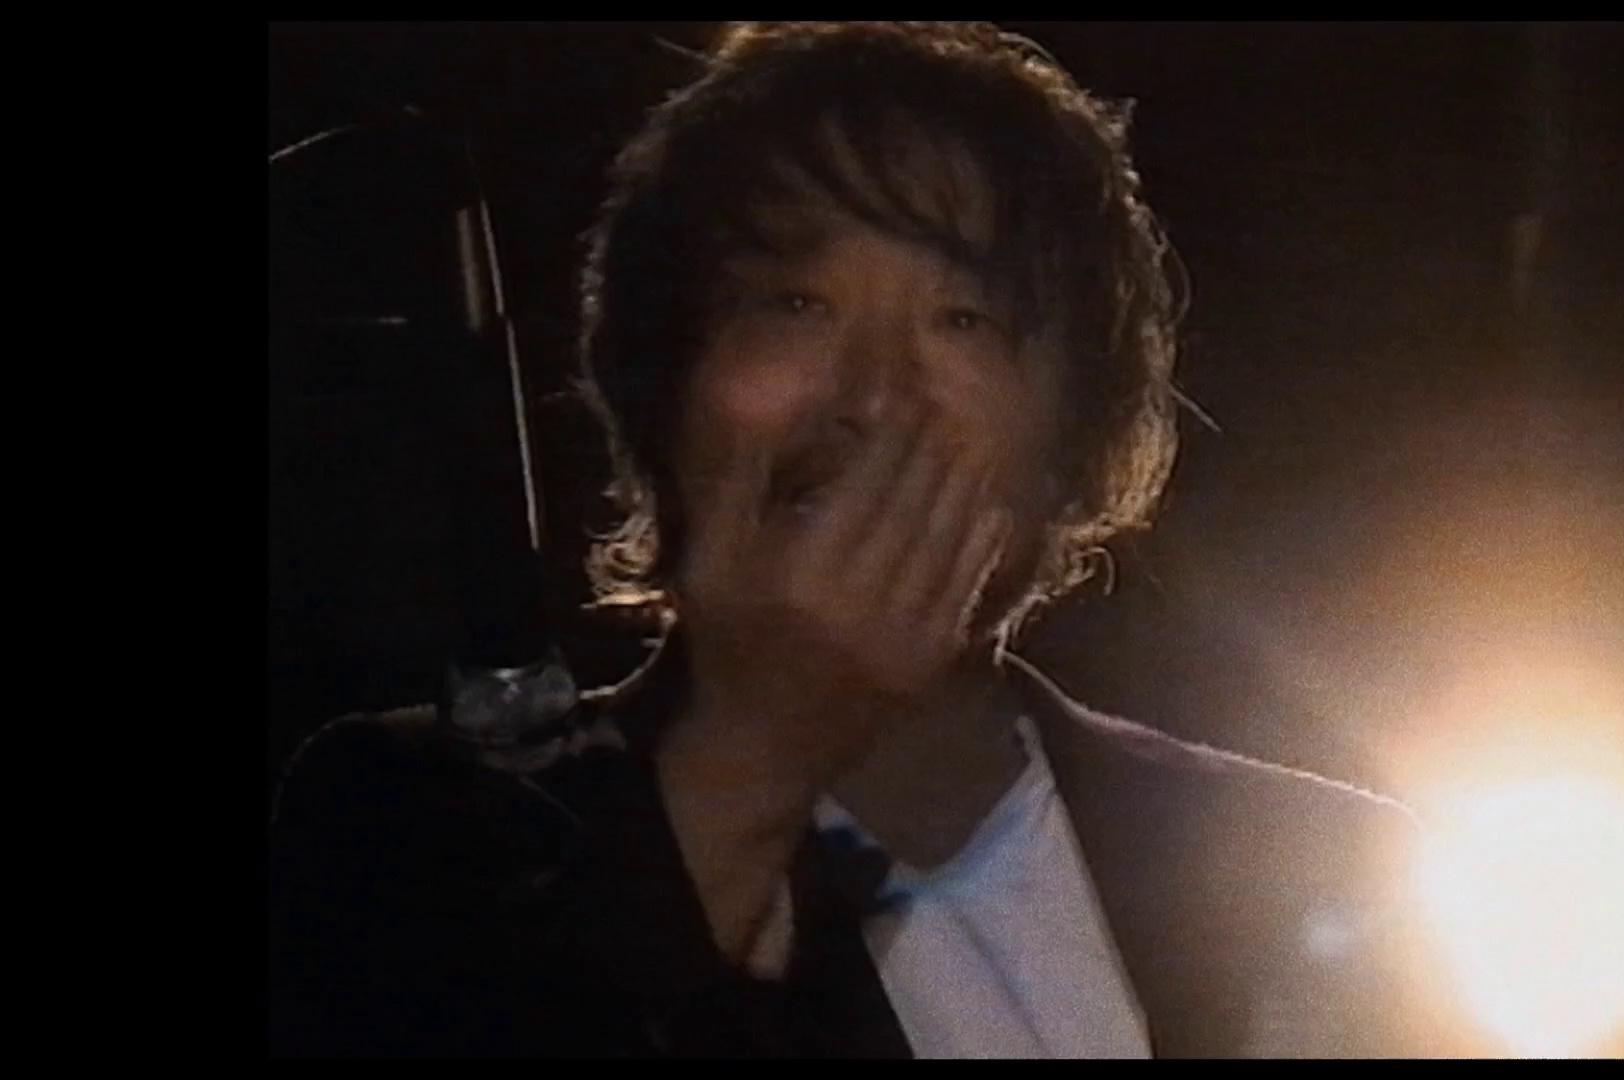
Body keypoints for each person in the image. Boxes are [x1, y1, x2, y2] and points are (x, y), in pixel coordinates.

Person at [269, 21, 1461, 1058]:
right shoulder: (416, 829)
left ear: (1074, 434)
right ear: (661, 383)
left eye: (963, 318)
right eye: (795, 305)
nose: (875, 399)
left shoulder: (1310, 861)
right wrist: (758, 747)